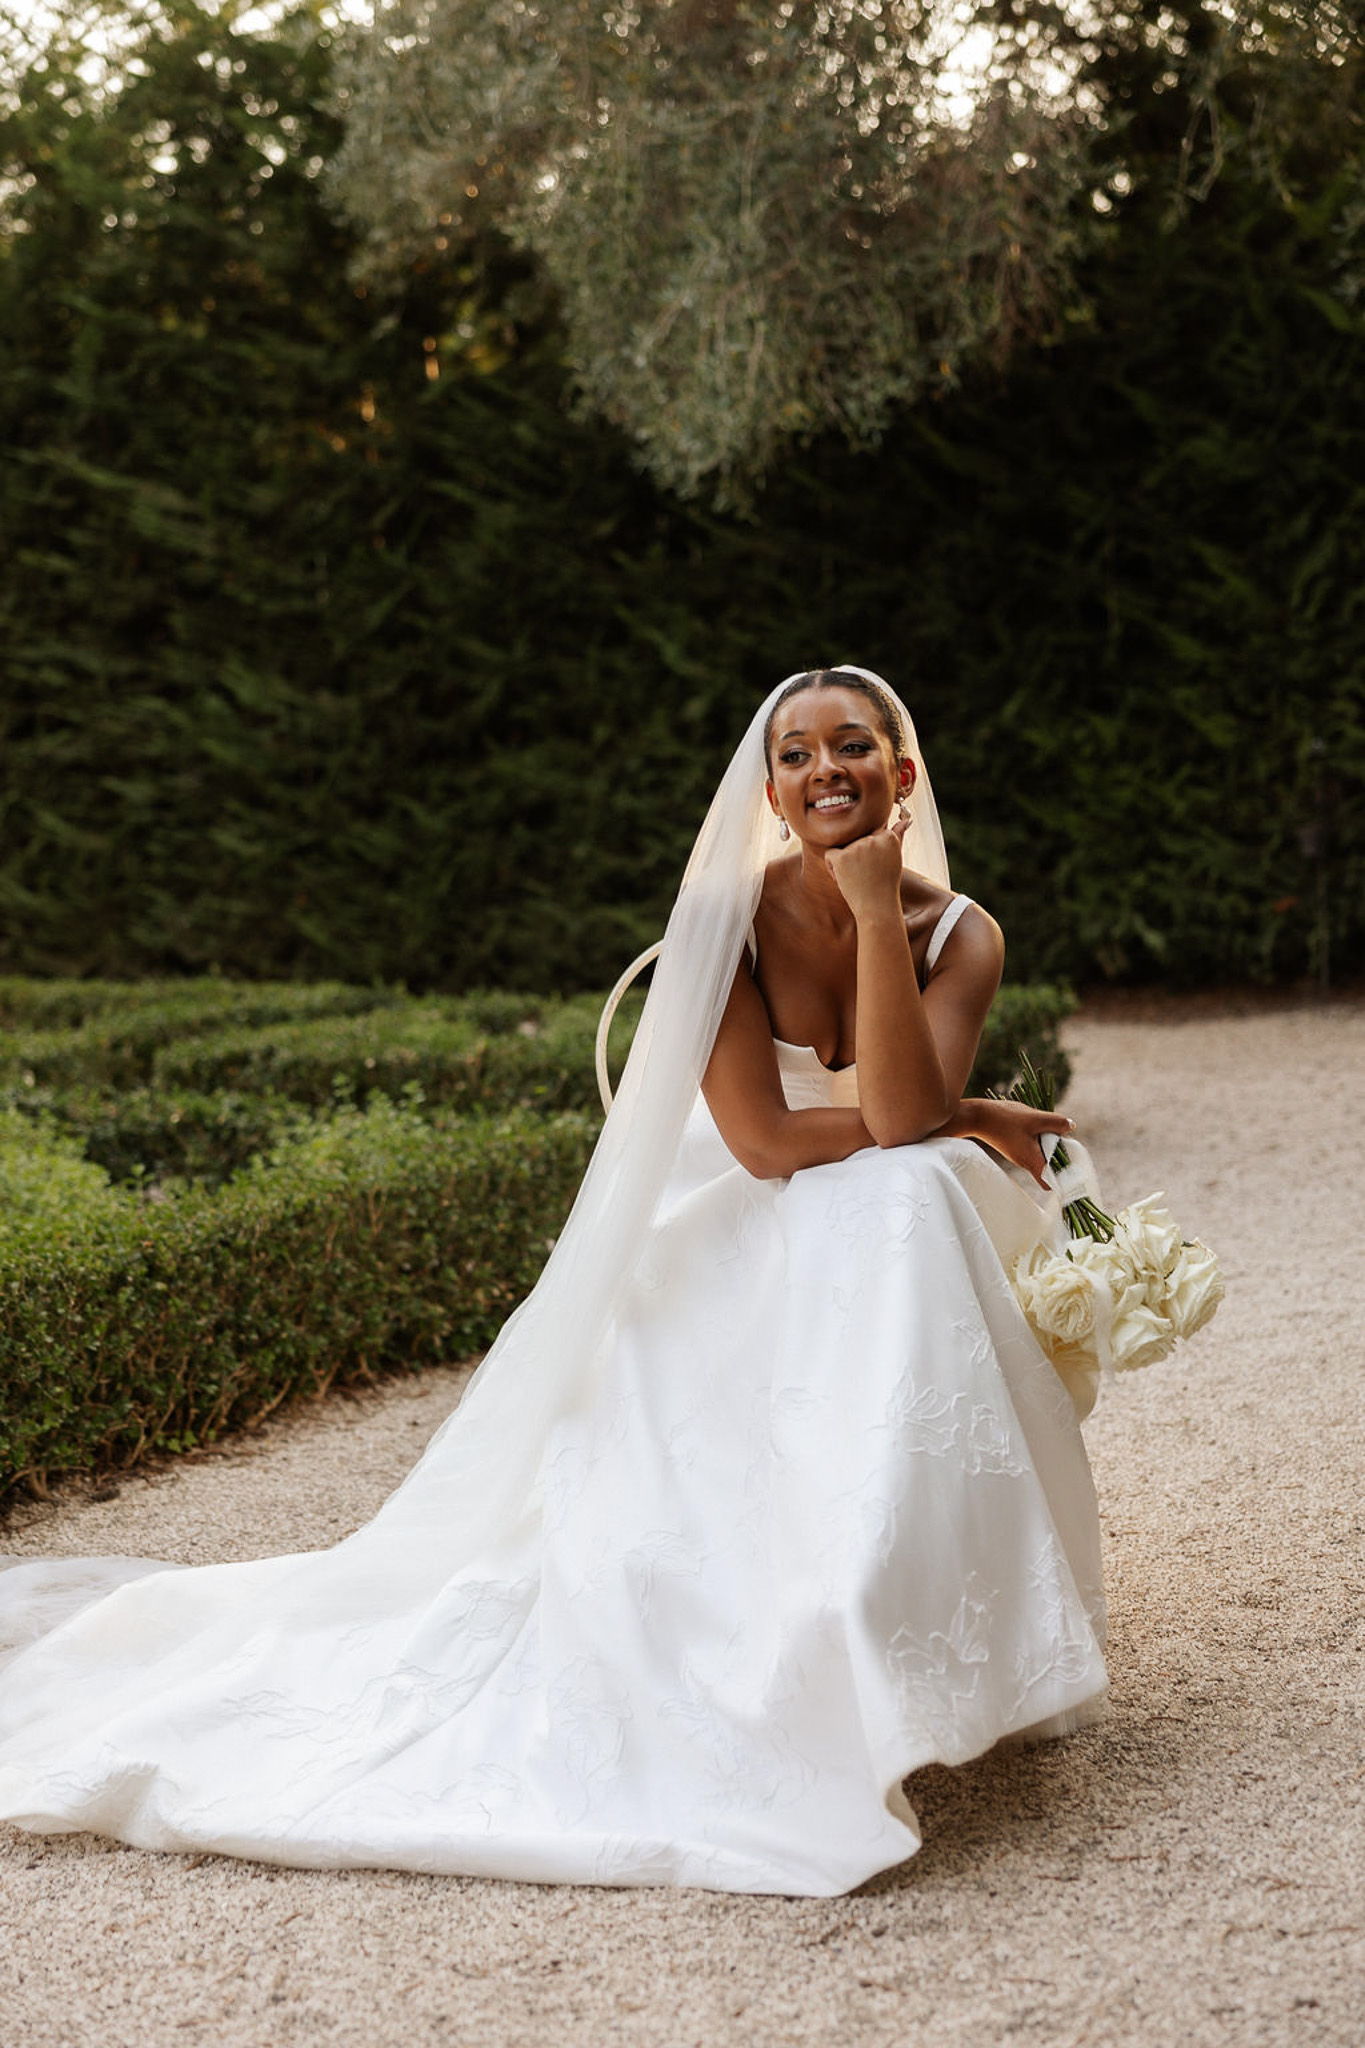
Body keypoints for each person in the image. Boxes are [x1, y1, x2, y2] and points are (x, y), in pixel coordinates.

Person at [0, 668, 1107, 1897]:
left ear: (901, 775)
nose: (824, 770)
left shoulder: (960, 931)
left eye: (852, 747)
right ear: (771, 792)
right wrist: (967, 1111)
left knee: (908, 1190)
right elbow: (769, 1142)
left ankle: (896, 1591)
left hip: (855, 1190)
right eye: (795, 755)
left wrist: (885, 946)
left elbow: (899, 1117)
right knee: (905, 1177)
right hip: (733, 1198)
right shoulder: (726, 919)